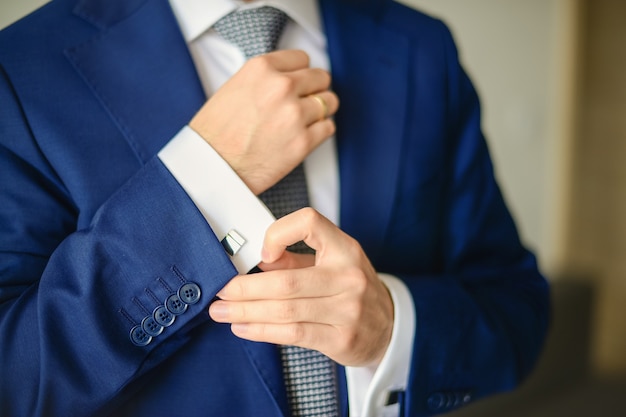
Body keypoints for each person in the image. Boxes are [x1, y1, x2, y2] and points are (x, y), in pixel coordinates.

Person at [0, 0, 550, 416]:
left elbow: (515, 307)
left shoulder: (422, 50)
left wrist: (393, 327)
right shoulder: (21, 70)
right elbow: (15, 377)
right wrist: (208, 176)